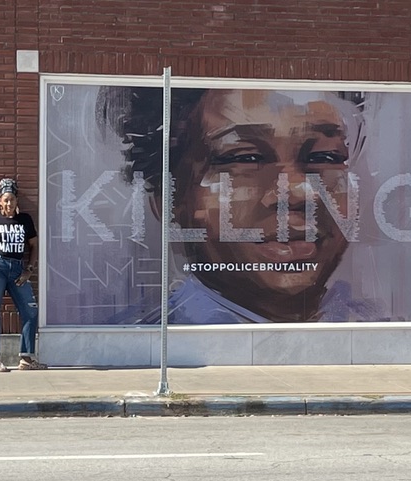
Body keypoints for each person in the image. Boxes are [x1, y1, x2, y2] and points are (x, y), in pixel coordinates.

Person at [98, 87, 386, 324]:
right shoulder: (130, 341)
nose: (300, 191)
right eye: (246, 159)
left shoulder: (376, 332)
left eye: (325, 157)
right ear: (170, 200)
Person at [0, 178, 46, 372]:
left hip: (17, 270)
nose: (9, 203)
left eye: (12, 199)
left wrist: (29, 269)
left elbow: (34, 246)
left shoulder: (25, 220)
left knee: (30, 310)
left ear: (16, 200)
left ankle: (26, 359)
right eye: (5, 199)